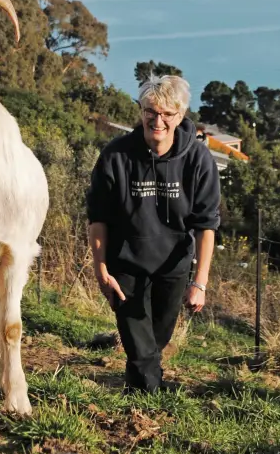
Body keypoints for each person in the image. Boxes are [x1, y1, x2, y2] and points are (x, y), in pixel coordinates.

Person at [87, 75, 220, 393]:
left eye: (167, 114)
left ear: (180, 115)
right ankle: (147, 396)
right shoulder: (116, 156)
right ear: (141, 110)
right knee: (138, 343)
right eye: (150, 111)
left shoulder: (198, 159)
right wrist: (101, 269)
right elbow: (98, 218)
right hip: (126, 264)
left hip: (172, 266)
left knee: (156, 339)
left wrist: (199, 282)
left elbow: (206, 226)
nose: (157, 120)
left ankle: (137, 393)